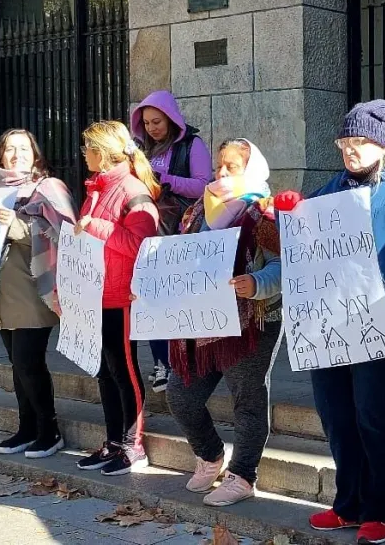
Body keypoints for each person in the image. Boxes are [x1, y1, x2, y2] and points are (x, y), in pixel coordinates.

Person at [274, 100, 385, 545]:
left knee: (372, 417)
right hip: (331, 322)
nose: (351, 150)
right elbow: (303, 239)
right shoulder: (333, 187)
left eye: (360, 142)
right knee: (336, 416)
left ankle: (382, 509)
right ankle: (347, 503)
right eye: (345, 142)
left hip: (378, 322)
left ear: (381, 144)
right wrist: (290, 211)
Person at [162, 138, 282, 507]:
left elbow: (285, 267)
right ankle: (210, 455)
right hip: (205, 320)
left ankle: (243, 475)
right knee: (180, 394)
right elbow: (180, 258)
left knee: (246, 399)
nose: (223, 173)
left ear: (253, 170)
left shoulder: (264, 213)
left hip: (253, 323)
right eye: (219, 167)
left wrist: (257, 284)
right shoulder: (198, 212)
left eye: (233, 167)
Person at [0, 129, 77, 458]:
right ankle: (27, 427)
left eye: (24, 149)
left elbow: (65, 234)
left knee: (28, 361)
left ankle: (49, 430)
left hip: (33, 290)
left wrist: (17, 225)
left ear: (36, 154)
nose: (17, 154)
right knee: (16, 363)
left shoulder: (48, 188)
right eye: (10, 149)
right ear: (0, 154)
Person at [74, 121, 159, 476]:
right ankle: (112, 441)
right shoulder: (97, 188)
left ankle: (132, 445)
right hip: (96, 293)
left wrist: (96, 226)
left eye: (87, 148)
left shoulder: (132, 190)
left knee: (123, 370)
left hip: (120, 295)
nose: (83, 155)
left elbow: (141, 244)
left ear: (103, 152)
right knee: (105, 373)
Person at [131, 90, 214, 393]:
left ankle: (182, 364)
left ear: (171, 119)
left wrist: (164, 178)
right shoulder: (140, 149)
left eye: (158, 121)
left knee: (176, 301)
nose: (152, 128)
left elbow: (204, 186)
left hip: (180, 232)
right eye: (147, 122)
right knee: (152, 299)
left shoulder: (192, 145)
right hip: (149, 232)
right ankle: (161, 363)